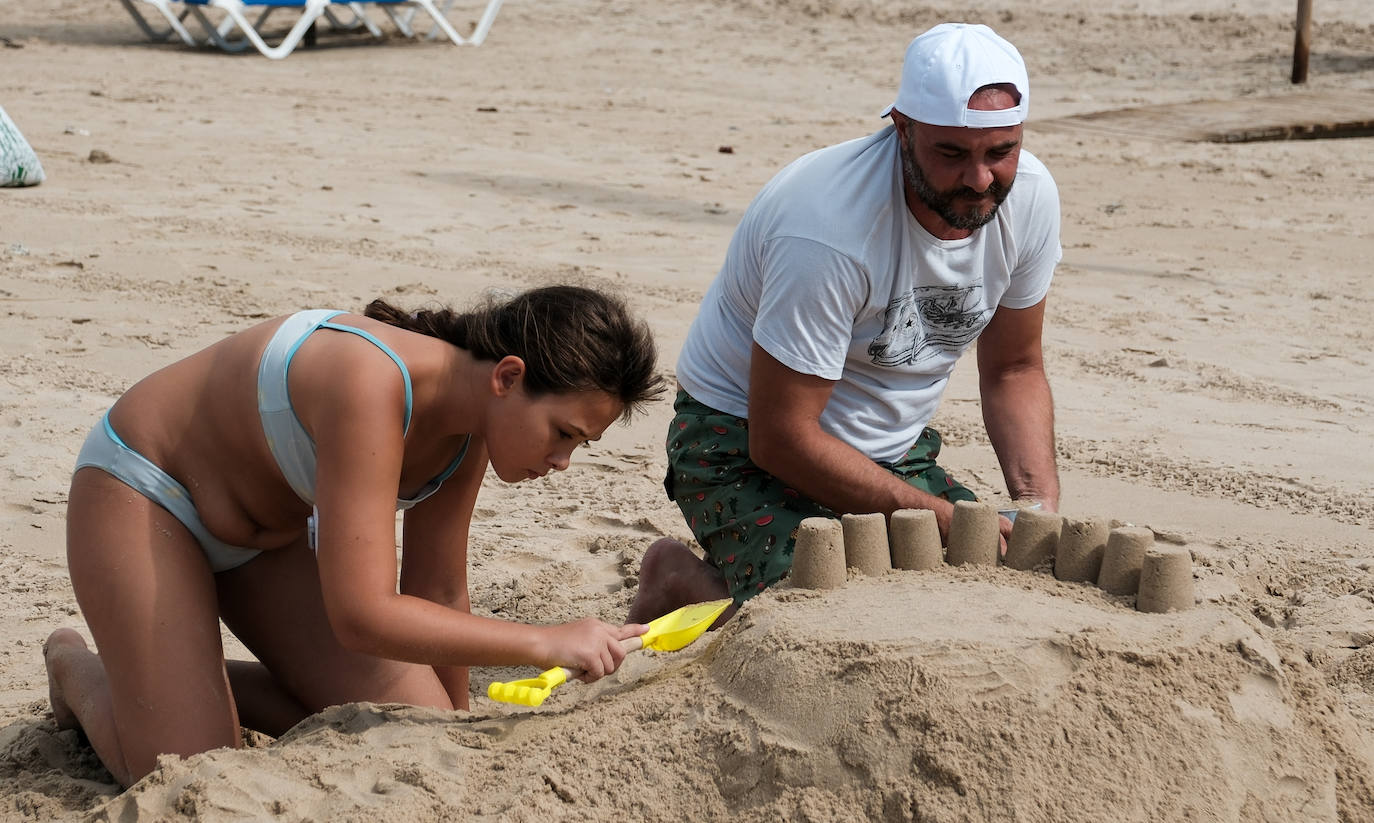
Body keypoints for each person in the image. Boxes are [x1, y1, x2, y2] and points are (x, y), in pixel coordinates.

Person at [42, 285, 666, 787]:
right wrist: (544, 643)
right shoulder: (371, 380)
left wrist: (454, 726)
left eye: (580, 445)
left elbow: (440, 590)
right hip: (146, 494)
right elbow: (363, 615)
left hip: (265, 544)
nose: (562, 461)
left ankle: (173, 680)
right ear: (507, 376)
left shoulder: (474, 428)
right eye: (563, 433)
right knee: (185, 767)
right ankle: (81, 669)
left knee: (407, 725)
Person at [630, 22, 1062, 626]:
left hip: (891, 452)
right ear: (902, 127)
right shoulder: (827, 227)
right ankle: (685, 579)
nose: (981, 180)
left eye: (1001, 151)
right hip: (740, 442)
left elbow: (1015, 369)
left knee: (984, 583)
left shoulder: (1032, 198)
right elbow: (781, 437)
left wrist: (1036, 507)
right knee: (820, 620)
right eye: (952, 154)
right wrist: (932, 516)